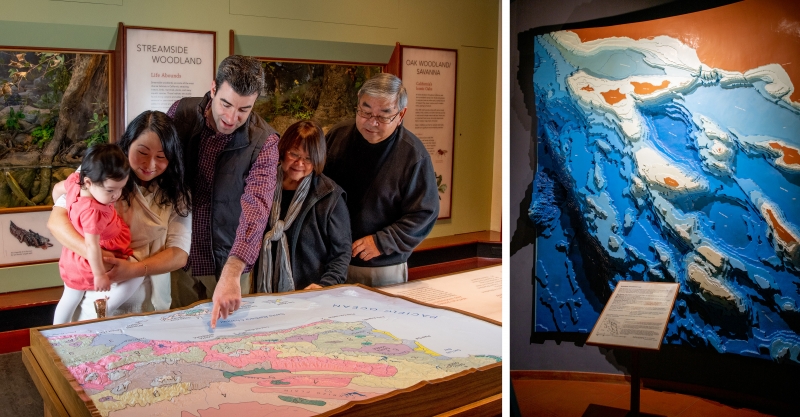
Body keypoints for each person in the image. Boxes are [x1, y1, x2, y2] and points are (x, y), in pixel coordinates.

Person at [166, 55, 279, 327]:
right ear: (214, 88)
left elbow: (257, 208)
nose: (231, 117)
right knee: (179, 332)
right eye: (225, 104)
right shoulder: (180, 113)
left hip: (230, 261)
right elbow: (147, 159)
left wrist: (233, 272)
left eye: (244, 110)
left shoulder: (265, 142)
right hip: (181, 255)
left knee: (231, 340)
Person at [48, 110, 192, 321]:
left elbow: (179, 253)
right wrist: (97, 255)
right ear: (128, 144)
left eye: (161, 157)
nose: (151, 165)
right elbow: (56, 220)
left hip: (150, 300)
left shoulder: (176, 190)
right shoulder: (103, 170)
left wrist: (133, 269)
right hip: (98, 290)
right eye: (142, 152)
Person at [323, 73, 439, 286]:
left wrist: (383, 241)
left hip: (381, 264)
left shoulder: (413, 154)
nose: (372, 122)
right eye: (365, 112)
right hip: (331, 261)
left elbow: (425, 212)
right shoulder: (337, 136)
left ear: (401, 114)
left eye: (383, 116)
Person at [253, 120, 351, 293]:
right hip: (260, 292)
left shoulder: (329, 196)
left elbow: (341, 253)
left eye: (308, 158)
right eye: (294, 154)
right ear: (282, 151)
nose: (299, 164)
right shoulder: (261, 184)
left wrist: (325, 285)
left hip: (308, 294)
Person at [51, 144, 135, 324]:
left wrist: (67, 210)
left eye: (121, 188)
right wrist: (99, 275)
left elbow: (58, 189)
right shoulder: (93, 213)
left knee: (69, 298)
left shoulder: (75, 181)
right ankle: (98, 312)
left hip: (71, 257)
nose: (117, 195)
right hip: (92, 259)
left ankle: (55, 332)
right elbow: (91, 245)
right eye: (110, 190)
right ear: (89, 182)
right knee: (135, 274)